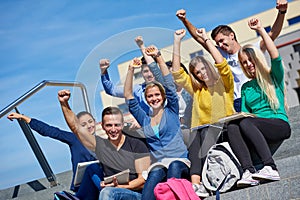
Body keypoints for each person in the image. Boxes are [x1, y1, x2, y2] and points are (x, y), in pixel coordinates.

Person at [176, 0, 288, 111]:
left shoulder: (252, 50)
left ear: (231, 35)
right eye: (217, 43)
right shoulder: (221, 55)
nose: (220, 45)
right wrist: (184, 20)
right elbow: (200, 38)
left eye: (222, 40)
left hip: (257, 95)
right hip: (236, 101)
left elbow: (272, 34)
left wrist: (282, 12)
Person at [226, 17, 291, 187]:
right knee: (233, 126)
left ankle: (270, 166)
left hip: (278, 124)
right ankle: (248, 170)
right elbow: (246, 115)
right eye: (244, 63)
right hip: (256, 125)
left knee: (247, 123)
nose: (248, 65)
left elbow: (274, 55)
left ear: (257, 59)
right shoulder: (246, 88)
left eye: (250, 60)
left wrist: (261, 30)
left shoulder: (272, 77)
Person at [171, 28, 234, 197]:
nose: (202, 73)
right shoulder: (197, 90)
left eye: (203, 69)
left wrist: (206, 40)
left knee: (202, 131)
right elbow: (177, 73)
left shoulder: (224, 83)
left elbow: (221, 63)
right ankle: (196, 185)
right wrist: (176, 42)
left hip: (222, 128)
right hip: (200, 133)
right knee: (195, 133)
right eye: (198, 72)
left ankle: (201, 181)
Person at [59, 89, 151, 200]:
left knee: (107, 192)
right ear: (102, 126)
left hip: (136, 194)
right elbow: (76, 128)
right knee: (99, 179)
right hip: (112, 192)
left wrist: (119, 187)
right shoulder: (101, 146)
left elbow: (142, 181)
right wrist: (64, 103)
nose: (113, 129)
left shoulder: (136, 144)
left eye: (116, 125)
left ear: (122, 125)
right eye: (109, 125)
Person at [124, 49, 190, 200]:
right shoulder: (144, 119)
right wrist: (131, 70)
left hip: (180, 162)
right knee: (153, 178)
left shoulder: (171, 110)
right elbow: (128, 95)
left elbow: (168, 82)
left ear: (162, 96)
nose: (154, 98)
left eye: (156, 95)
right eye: (150, 96)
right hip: (159, 165)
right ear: (146, 99)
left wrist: (159, 58)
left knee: (173, 167)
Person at [7, 110, 97, 193]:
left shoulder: (104, 141)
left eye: (90, 122)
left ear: (95, 121)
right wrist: (25, 118)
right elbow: (51, 131)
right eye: (84, 124)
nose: (89, 126)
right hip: (83, 186)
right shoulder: (74, 139)